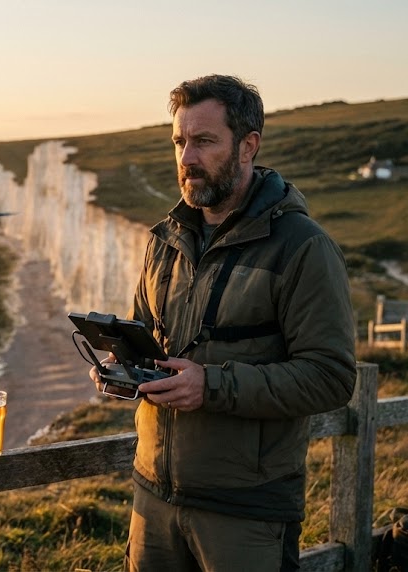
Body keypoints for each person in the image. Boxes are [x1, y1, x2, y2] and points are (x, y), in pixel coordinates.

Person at [89, 75, 357, 571]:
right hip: (153, 496)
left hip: (245, 512)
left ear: (248, 146)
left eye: (204, 141)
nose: (187, 157)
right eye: (180, 141)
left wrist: (211, 386)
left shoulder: (303, 247)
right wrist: (123, 367)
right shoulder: (163, 240)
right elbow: (151, 340)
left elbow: (332, 377)